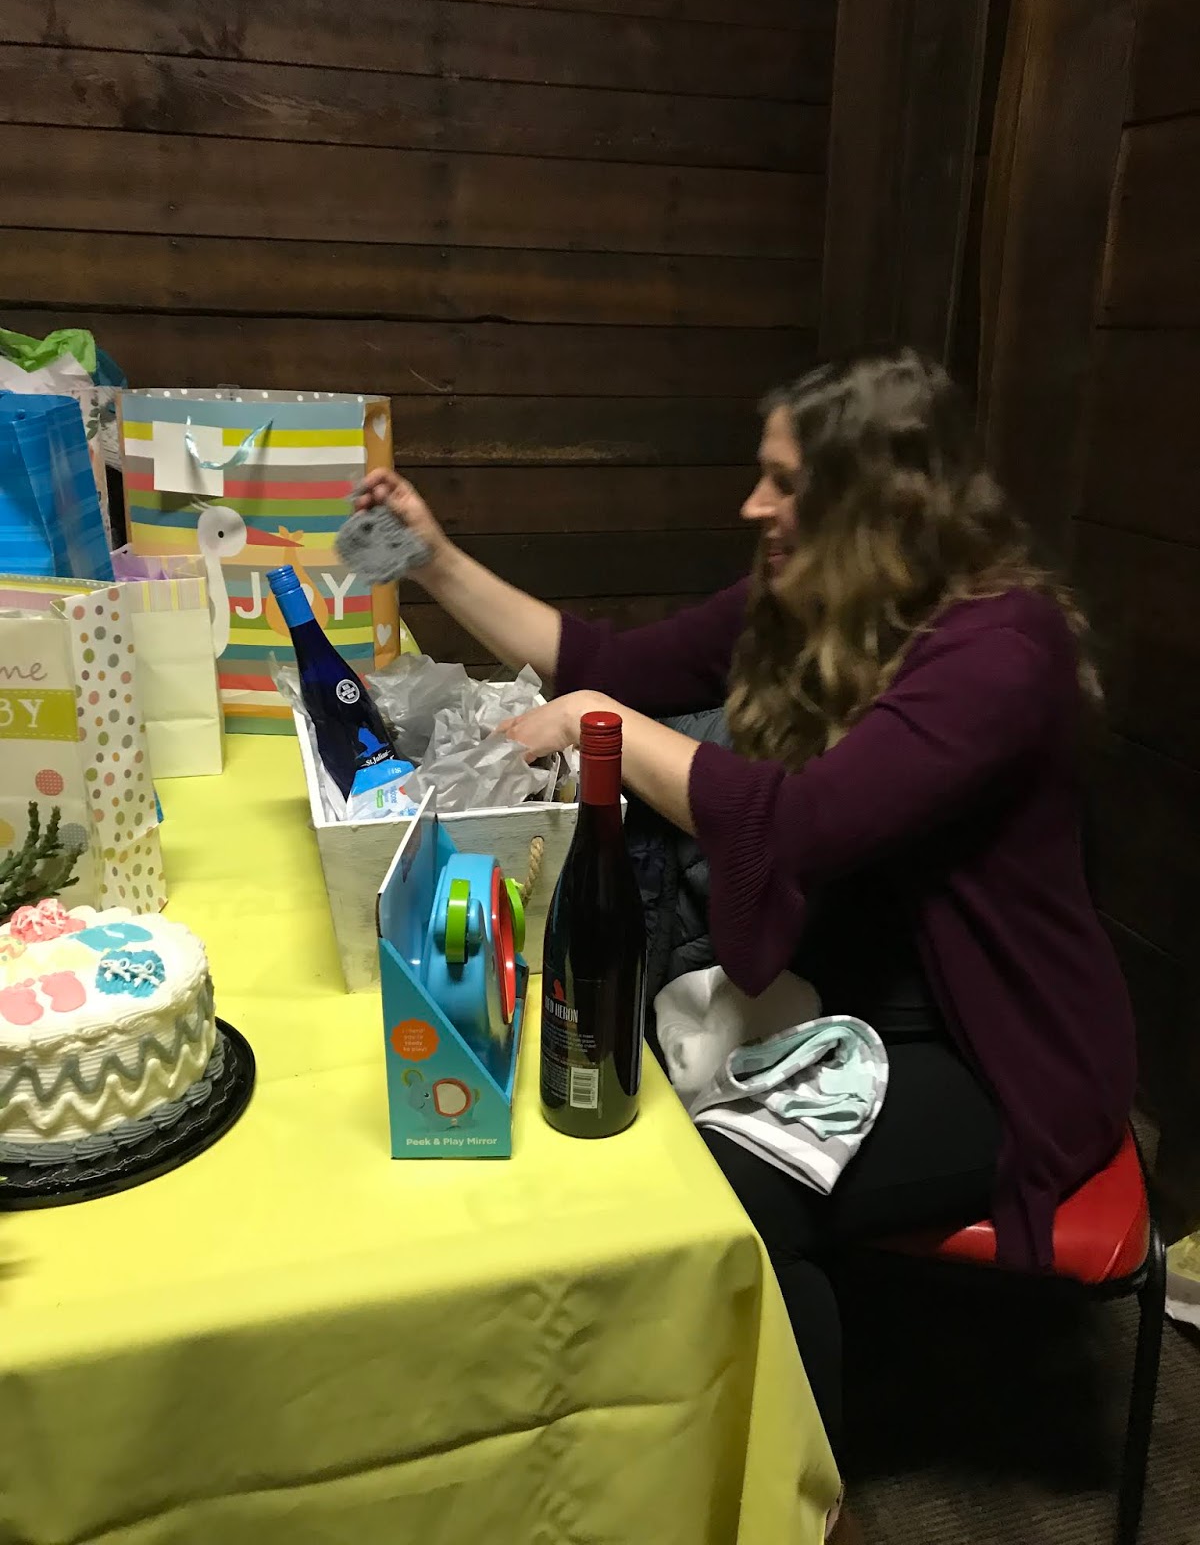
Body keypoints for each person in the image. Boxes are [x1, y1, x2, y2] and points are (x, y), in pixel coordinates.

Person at [357, 349, 1135, 1485]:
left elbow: (803, 827)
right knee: (607, 1108)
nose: (753, 506)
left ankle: (795, 1504)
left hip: (994, 1054)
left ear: (878, 499)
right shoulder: (812, 597)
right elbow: (611, 661)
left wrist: (596, 723)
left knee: (720, 1198)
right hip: (853, 1000)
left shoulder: (1003, 649)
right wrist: (433, 559)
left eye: (785, 483)